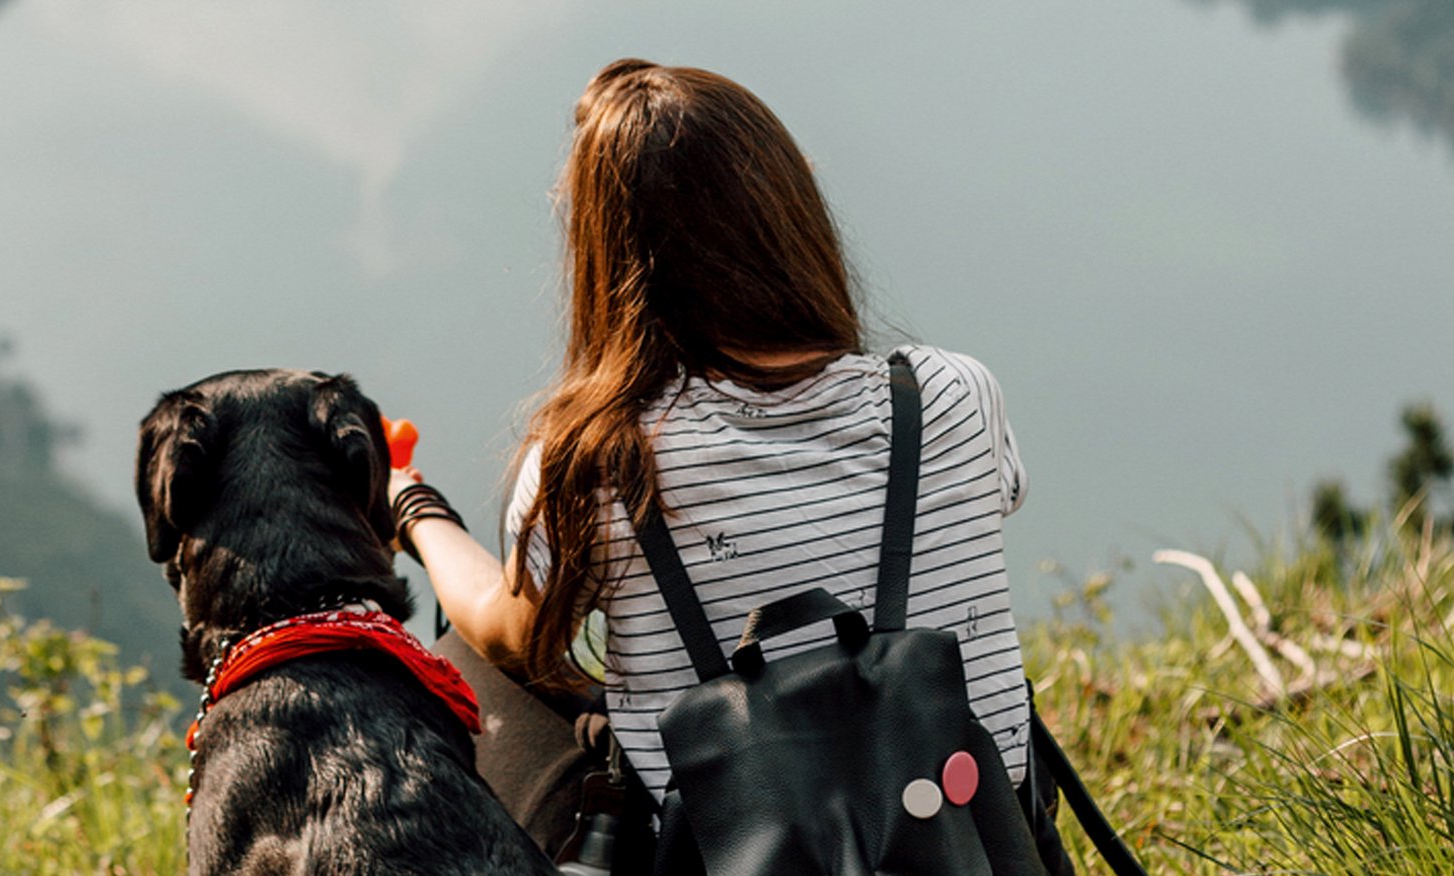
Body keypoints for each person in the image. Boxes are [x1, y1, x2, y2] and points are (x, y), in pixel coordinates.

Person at [386, 58, 1045, 859]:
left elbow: (505, 633)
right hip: (977, 848)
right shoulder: (952, 391)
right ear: (791, 212)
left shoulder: (600, 459)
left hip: (739, 857)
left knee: (463, 658)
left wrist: (413, 508)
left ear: (606, 256)